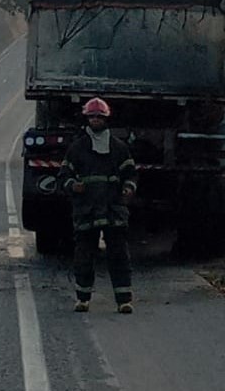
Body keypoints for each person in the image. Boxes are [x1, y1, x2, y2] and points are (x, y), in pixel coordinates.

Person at [57, 97, 137, 313]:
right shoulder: (77, 148)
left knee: (119, 256)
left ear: (106, 119)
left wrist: (129, 188)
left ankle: (124, 301)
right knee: (84, 256)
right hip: (87, 210)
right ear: (86, 119)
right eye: (91, 117)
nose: (95, 120)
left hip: (113, 210)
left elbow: (130, 173)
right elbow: (63, 175)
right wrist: (73, 185)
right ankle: (83, 299)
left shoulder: (119, 148)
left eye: (99, 117)